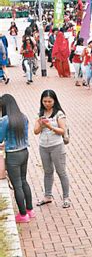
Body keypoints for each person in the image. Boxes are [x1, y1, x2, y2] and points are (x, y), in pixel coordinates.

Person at [33, 90, 71, 209]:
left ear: (54, 101)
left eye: (49, 101)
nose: (47, 103)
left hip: (57, 146)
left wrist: (50, 126)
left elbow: (62, 131)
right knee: (47, 171)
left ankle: (66, 197)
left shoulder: (59, 114)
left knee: (61, 172)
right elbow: (35, 131)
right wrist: (41, 124)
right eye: (45, 101)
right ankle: (47, 196)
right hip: (43, 146)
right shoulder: (40, 113)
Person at [0, 94, 35, 223]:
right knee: (23, 180)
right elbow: (24, 136)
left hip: (13, 155)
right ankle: (30, 210)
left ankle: (22, 214)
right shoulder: (23, 117)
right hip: (24, 152)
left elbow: (0, 138)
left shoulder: (5, 120)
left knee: (17, 185)